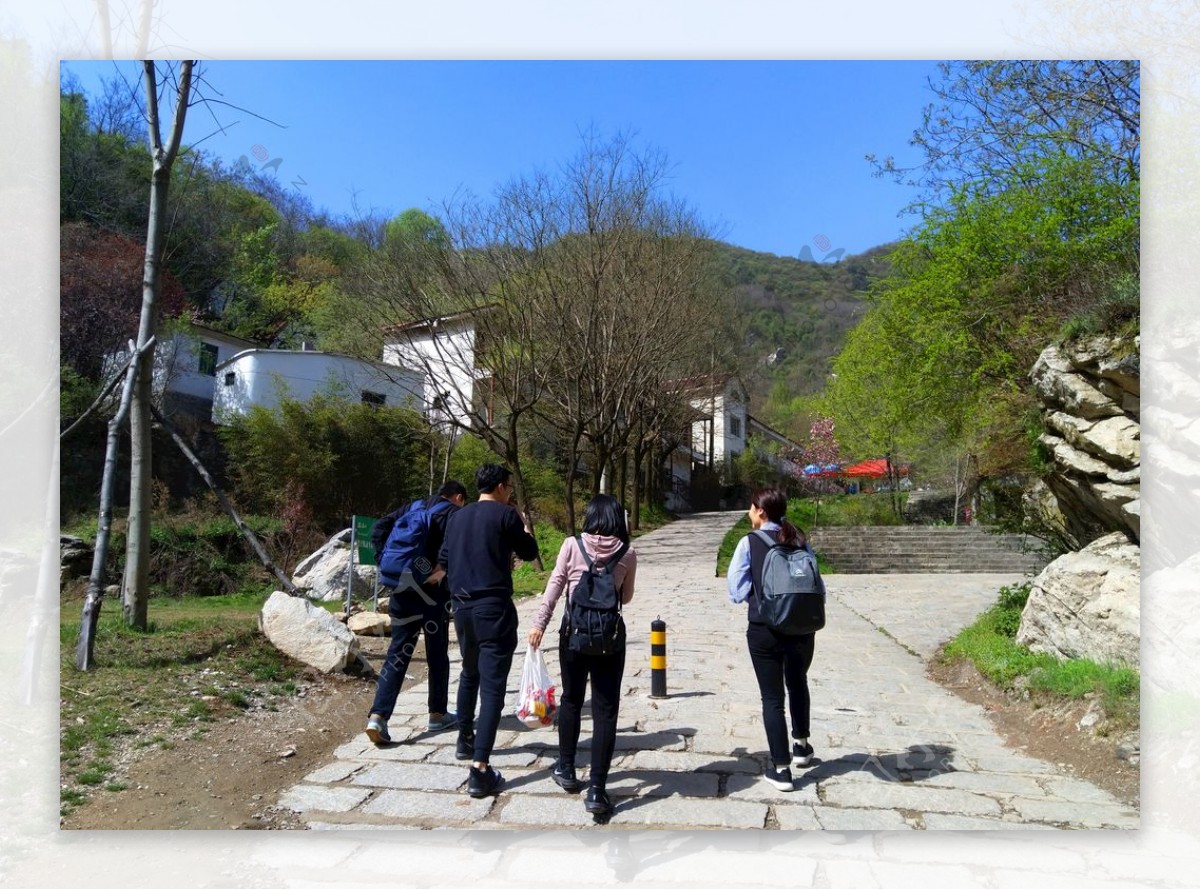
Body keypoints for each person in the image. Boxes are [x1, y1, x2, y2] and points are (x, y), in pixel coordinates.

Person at [528, 494, 638, 819]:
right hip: (609, 641)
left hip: (573, 637)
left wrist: (538, 624)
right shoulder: (627, 552)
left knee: (572, 699)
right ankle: (597, 791)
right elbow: (626, 598)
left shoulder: (571, 545)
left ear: (590, 517)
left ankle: (566, 768)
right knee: (605, 711)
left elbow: (554, 586)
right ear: (618, 519)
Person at [437, 464, 540, 798]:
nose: (510, 491)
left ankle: (464, 740)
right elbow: (530, 552)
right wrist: (522, 522)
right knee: (493, 686)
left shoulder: (456, 517)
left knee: (469, 673)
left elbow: (445, 560)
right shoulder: (504, 514)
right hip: (493, 608)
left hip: (462, 609)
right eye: (508, 486)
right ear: (499, 486)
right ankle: (480, 770)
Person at [726, 487, 822, 791]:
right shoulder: (799, 539)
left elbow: (736, 590)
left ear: (761, 511)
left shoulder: (749, 542)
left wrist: (757, 597)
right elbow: (818, 585)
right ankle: (802, 747)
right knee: (798, 683)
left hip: (765, 629)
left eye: (751, 508)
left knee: (772, 698)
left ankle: (781, 770)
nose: (749, 513)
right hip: (802, 628)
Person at [366, 480, 469, 746]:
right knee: (437, 653)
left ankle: (378, 717)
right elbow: (455, 548)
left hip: (401, 589)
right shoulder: (454, 514)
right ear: (458, 497)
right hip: (432, 593)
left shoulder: (413, 506)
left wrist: (384, 562)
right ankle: (437, 714)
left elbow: (379, 528)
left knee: (398, 652)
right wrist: (440, 572)